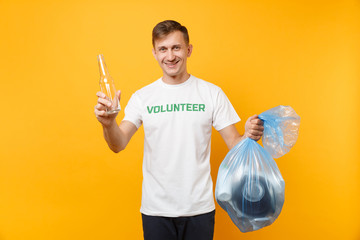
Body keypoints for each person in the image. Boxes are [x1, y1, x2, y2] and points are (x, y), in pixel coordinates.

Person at [94, 20, 264, 240]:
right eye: (163, 49)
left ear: (189, 49)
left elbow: (234, 143)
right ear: (154, 53)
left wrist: (249, 135)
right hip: (156, 210)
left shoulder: (211, 93)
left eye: (176, 47)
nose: (170, 56)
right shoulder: (143, 97)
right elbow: (118, 143)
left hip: (199, 209)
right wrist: (108, 124)